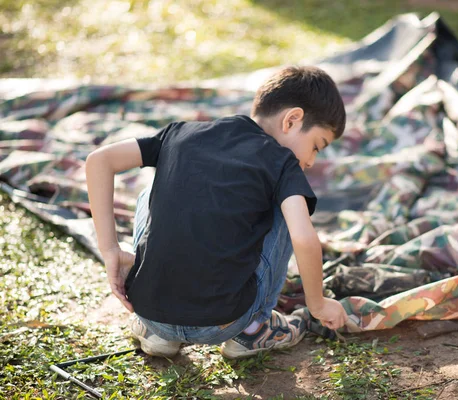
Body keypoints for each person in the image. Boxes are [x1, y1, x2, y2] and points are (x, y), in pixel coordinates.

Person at [85, 66, 349, 359]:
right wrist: (318, 304)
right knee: (290, 205)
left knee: (149, 193)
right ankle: (254, 329)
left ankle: (159, 333)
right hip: (226, 321)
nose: (311, 161)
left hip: (149, 312)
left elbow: (99, 160)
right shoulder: (282, 163)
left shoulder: (180, 133)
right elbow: (304, 237)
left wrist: (110, 249)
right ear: (292, 119)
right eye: (316, 146)